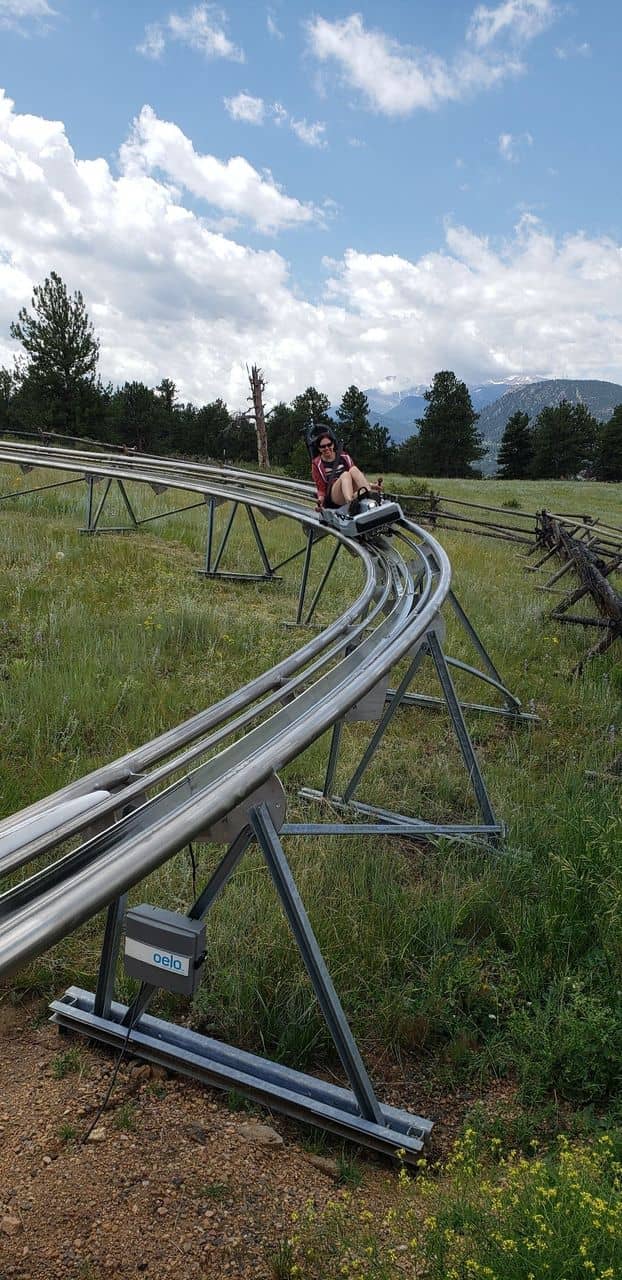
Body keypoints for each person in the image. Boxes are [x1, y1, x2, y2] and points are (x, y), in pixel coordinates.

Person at [311, 430, 382, 513]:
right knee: (345, 474)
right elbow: (321, 489)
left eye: (329, 445)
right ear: (319, 448)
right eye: (323, 446)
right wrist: (320, 503)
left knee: (353, 469)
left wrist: (372, 485)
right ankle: (351, 503)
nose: (326, 448)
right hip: (334, 495)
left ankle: (368, 493)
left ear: (333, 444)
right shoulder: (317, 464)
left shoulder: (343, 456)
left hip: (350, 490)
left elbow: (356, 477)